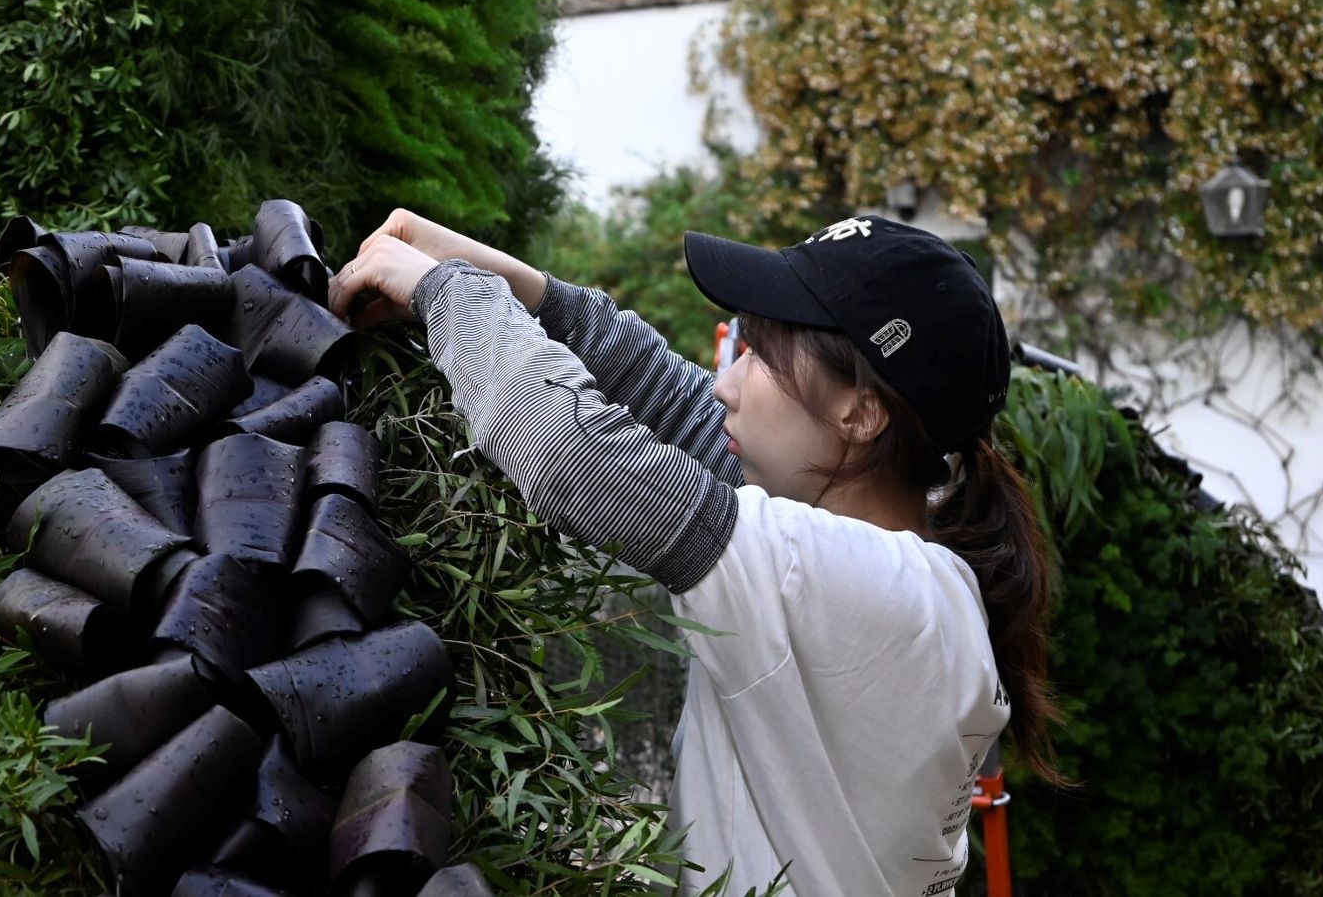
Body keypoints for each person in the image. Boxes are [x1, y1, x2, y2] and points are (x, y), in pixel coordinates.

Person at [327, 209, 1061, 897]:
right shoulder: (894, 555)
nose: (725, 383)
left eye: (760, 355)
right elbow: (673, 402)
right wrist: (514, 283)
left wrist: (448, 291)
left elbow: (577, 459)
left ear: (861, 411)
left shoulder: (857, 586)